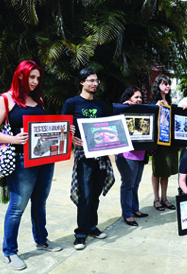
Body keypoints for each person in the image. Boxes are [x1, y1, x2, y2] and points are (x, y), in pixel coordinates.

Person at [0, 60, 62, 270]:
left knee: (40, 203)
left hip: (45, 159)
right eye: (32, 77)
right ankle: (10, 251)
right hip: (20, 161)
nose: (36, 81)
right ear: (20, 76)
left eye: (38, 78)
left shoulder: (39, 101)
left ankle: (42, 241)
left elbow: (45, 129)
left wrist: (64, 133)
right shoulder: (6, 99)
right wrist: (14, 140)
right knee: (17, 207)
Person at [62, 68, 114, 250]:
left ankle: (92, 226)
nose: (95, 84)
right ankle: (81, 233)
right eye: (91, 80)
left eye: (97, 81)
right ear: (82, 82)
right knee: (84, 194)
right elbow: (62, 128)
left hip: (101, 155)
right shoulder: (71, 103)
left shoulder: (101, 105)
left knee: (95, 194)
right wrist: (70, 137)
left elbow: (108, 129)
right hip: (83, 155)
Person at [115, 86, 149, 226]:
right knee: (128, 185)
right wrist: (124, 109)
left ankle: (135, 209)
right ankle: (127, 214)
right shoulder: (122, 111)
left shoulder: (143, 113)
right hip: (127, 156)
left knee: (135, 185)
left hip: (140, 155)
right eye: (136, 97)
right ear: (128, 99)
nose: (139, 99)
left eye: (140, 97)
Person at [149, 75, 178, 211]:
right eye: (164, 84)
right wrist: (156, 108)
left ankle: (164, 198)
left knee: (166, 170)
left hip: (169, 142)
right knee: (157, 170)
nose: (167, 86)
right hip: (158, 143)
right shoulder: (154, 102)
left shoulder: (170, 102)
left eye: (168, 84)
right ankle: (156, 199)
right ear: (158, 85)